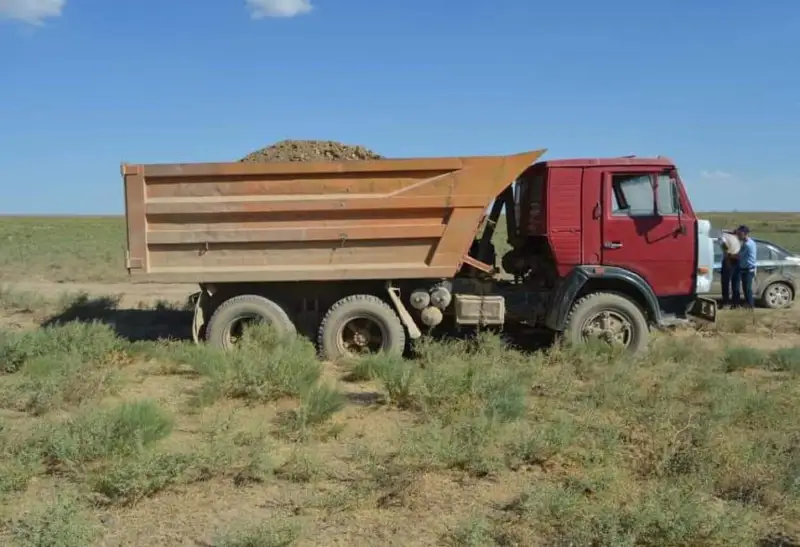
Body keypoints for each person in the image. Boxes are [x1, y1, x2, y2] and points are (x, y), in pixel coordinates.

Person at [732, 225, 757, 309]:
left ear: (745, 234)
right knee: (745, 288)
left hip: (748, 270)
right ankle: (747, 304)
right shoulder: (750, 242)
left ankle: (750, 305)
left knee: (747, 289)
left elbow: (738, 256)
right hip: (745, 268)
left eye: (740, 234)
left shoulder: (747, 245)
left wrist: (729, 254)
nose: (738, 235)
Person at [717, 229, 740, 309]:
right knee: (735, 283)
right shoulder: (736, 238)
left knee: (725, 283)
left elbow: (725, 247)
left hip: (728, 260)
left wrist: (728, 253)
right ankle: (736, 303)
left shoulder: (722, 237)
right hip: (737, 259)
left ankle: (726, 303)